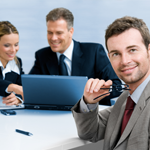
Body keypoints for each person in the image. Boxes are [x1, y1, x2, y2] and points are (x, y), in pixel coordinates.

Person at [72, 16, 150, 150]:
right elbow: (89, 132)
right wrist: (89, 102)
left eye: (132, 50)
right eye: (116, 54)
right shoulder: (125, 100)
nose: (124, 61)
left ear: (149, 51)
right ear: (109, 57)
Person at [29, 7, 121, 106]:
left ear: (71, 32)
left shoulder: (94, 52)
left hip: (90, 113)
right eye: (50, 32)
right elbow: (28, 86)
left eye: (59, 33)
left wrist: (94, 93)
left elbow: (117, 87)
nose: (53, 38)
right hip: (54, 114)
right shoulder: (42, 56)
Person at [0, 21, 24, 106]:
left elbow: (22, 86)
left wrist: (17, 99)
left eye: (16, 44)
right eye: (7, 45)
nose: (13, 50)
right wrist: (14, 87)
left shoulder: (17, 62)